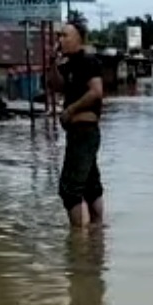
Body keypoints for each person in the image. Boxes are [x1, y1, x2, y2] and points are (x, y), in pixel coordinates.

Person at [50, 21, 105, 228]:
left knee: (69, 189)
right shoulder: (68, 64)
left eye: (65, 36)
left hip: (85, 132)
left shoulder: (88, 61)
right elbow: (56, 86)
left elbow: (96, 92)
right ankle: (97, 232)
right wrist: (52, 62)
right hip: (77, 134)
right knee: (91, 186)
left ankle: (77, 239)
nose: (60, 40)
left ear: (79, 39)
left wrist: (70, 110)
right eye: (59, 36)